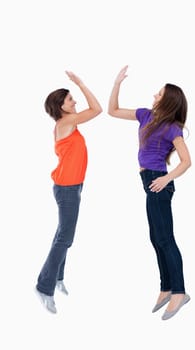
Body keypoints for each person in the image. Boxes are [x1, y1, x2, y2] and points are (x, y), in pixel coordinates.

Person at [108, 65, 191, 320]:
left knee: (165, 238)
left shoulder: (172, 128)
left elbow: (186, 161)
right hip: (148, 181)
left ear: (167, 100)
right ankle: (166, 287)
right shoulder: (145, 116)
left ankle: (179, 291)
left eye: (159, 94)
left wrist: (166, 179)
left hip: (157, 182)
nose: (154, 96)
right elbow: (112, 111)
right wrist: (117, 83)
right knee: (156, 238)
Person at [35, 71, 102, 313]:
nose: (75, 102)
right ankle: (44, 287)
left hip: (71, 187)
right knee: (64, 237)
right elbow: (97, 109)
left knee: (64, 236)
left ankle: (58, 277)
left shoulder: (67, 123)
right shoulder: (66, 123)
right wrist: (82, 83)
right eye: (71, 100)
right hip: (67, 188)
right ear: (61, 107)